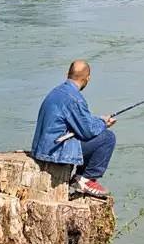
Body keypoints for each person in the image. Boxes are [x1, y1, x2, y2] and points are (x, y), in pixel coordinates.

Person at [31, 60, 116, 198]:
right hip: (54, 151)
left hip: (43, 147)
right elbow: (87, 131)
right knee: (107, 138)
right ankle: (86, 179)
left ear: (67, 74)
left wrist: (99, 120)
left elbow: (81, 122)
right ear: (87, 78)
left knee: (98, 132)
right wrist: (103, 124)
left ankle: (80, 178)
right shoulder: (74, 98)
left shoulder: (57, 91)